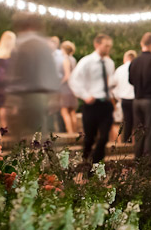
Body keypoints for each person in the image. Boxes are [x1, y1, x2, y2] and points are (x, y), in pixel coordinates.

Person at [4, 14, 60, 142]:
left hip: (25, 96)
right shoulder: (44, 45)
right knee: (41, 137)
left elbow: (16, 74)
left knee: (21, 140)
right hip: (41, 96)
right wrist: (54, 96)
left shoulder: (22, 43)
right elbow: (52, 72)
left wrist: (11, 99)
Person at [70, 34, 115, 163]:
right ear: (97, 44)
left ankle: (95, 164)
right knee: (89, 138)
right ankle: (86, 162)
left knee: (105, 137)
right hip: (92, 104)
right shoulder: (87, 61)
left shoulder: (109, 63)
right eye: (106, 45)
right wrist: (85, 96)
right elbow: (74, 80)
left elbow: (109, 81)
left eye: (109, 46)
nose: (108, 48)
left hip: (106, 104)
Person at [0, 30, 15, 129]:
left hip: (0, 79)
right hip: (12, 80)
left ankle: (4, 127)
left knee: (2, 106)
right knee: (13, 105)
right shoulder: (15, 52)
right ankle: (13, 127)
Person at [112, 50, 137, 143]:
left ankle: (126, 143)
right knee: (137, 123)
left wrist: (117, 98)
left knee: (127, 123)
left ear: (125, 58)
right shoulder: (137, 68)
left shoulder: (119, 69)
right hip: (135, 99)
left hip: (124, 100)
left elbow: (113, 86)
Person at [57, 40, 78, 135]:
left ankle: (70, 133)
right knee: (72, 111)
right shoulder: (73, 59)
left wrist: (59, 84)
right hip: (73, 88)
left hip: (66, 88)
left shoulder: (65, 59)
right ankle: (75, 132)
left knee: (64, 110)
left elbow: (67, 75)